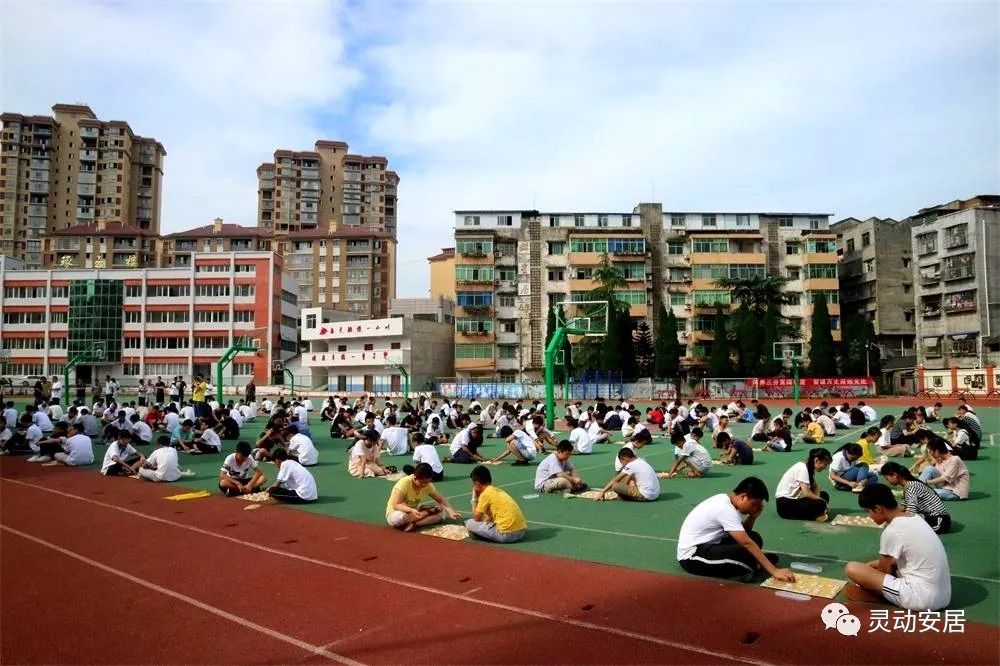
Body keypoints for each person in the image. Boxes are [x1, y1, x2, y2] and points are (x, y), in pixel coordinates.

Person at [844, 484, 951, 610]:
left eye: (868, 512)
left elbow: (884, 572)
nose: (869, 517)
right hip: (944, 595)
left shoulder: (892, 531)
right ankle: (890, 592)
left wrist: (865, 578)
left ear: (878, 509)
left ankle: (881, 596)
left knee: (852, 568)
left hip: (922, 599)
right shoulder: (914, 517)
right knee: (874, 566)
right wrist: (872, 567)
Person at [677, 476, 794, 581]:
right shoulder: (725, 509)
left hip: (711, 545)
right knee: (745, 556)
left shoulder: (724, 500)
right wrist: (774, 571)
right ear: (743, 497)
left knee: (755, 537)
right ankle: (752, 565)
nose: (755, 508)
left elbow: (746, 535)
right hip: (692, 557)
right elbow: (746, 543)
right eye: (754, 504)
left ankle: (754, 562)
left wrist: (752, 517)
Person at [385, 462, 461, 531]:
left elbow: (440, 499)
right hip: (397, 512)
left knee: (442, 514)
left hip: (415, 512)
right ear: (415, 478)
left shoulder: (427, 485)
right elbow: (396, 505)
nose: (424, 485)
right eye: (422, 483)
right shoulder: (403, 483)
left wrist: (451, 511)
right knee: (399, 518)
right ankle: (427, 513)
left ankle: (416, 524)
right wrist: (411, 510)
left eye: (427, 483)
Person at [880, 462, 951, 534]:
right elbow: (904, 507)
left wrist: (891, 519)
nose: (887, 481)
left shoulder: (911, 487)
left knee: (906, 529)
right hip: (934, 518)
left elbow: (910, 513)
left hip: (940, 521)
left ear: (894, 475)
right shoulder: (910, 484)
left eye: (887, 478)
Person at [465, 465, 527, 543]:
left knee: (469, 523)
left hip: (506, 535)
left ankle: (480, 535)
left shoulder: (485, 494)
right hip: (521, 531)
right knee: (485, 521)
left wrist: (474, 499)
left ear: (477, 483)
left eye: (473, 484)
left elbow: (476, 518)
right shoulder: (499, 491)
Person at [774, 448, 832, 521]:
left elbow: (815, 486)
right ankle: (816, 515)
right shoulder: (802, 468)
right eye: (825, 464)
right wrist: (822, 502)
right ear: (817, 460)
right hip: (785, 506)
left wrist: (819, 500)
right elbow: (806, 493)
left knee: (824, 495)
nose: (825, 467)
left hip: (793, 502)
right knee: (821, 502)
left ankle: (818, 512)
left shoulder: (809, 468)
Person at [596, 448, 660, 502]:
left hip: (647, 496)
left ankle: (623, 496)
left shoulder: (631, 465)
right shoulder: (640, 460)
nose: (622, 465)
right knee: (630, 477)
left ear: (625, 458)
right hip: (655, 494)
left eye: (621, 462)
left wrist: (603, 492)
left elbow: (615, 480)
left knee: (615, 486)